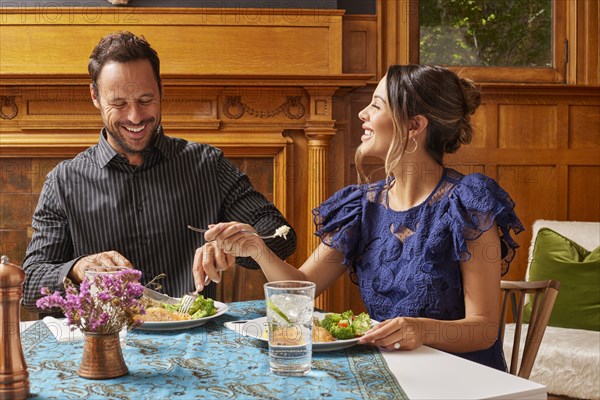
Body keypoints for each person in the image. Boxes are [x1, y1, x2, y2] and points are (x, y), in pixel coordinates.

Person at [201, 65, 523, 371]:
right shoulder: (362, 206)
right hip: (391, 371)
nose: (362, 114)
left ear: (414, 125)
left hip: (461, 378)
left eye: (377, 106)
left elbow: (483, 329)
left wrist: (421, 330)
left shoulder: (467, 204)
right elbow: (301, 289)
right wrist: (258, 249)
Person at [22, 31, 296, 310]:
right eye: (118, 104)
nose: (135, 117)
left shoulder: (207, 164)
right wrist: (77, 269)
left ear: (161, 90)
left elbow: (281, 235)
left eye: (145, 100)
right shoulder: (63, 181)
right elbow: (30, 285)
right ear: (95, 96)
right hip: (105, 345)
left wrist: (237, 246)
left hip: (192, 340)